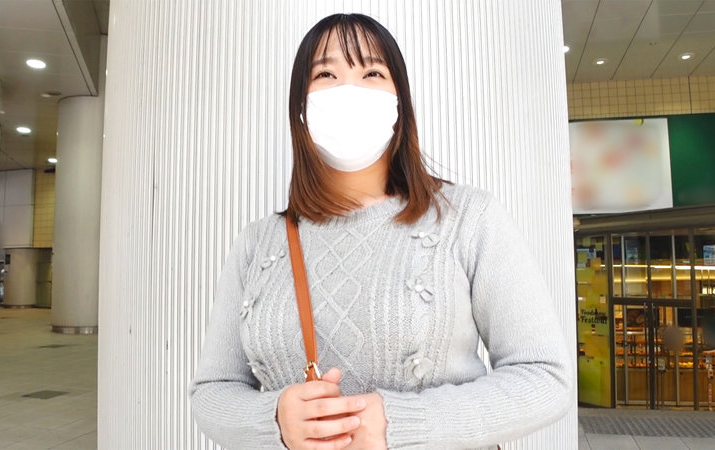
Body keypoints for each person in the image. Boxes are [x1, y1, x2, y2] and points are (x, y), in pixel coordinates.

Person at [189, 13, 573, 450]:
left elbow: (545, 376)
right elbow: (213, 391)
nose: (349, 90)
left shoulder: (469, 218)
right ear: (300, 107)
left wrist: (402, 424)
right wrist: (274, 420)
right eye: (326, 74)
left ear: (399, 102)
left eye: (372, 73)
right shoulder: (257, 243)